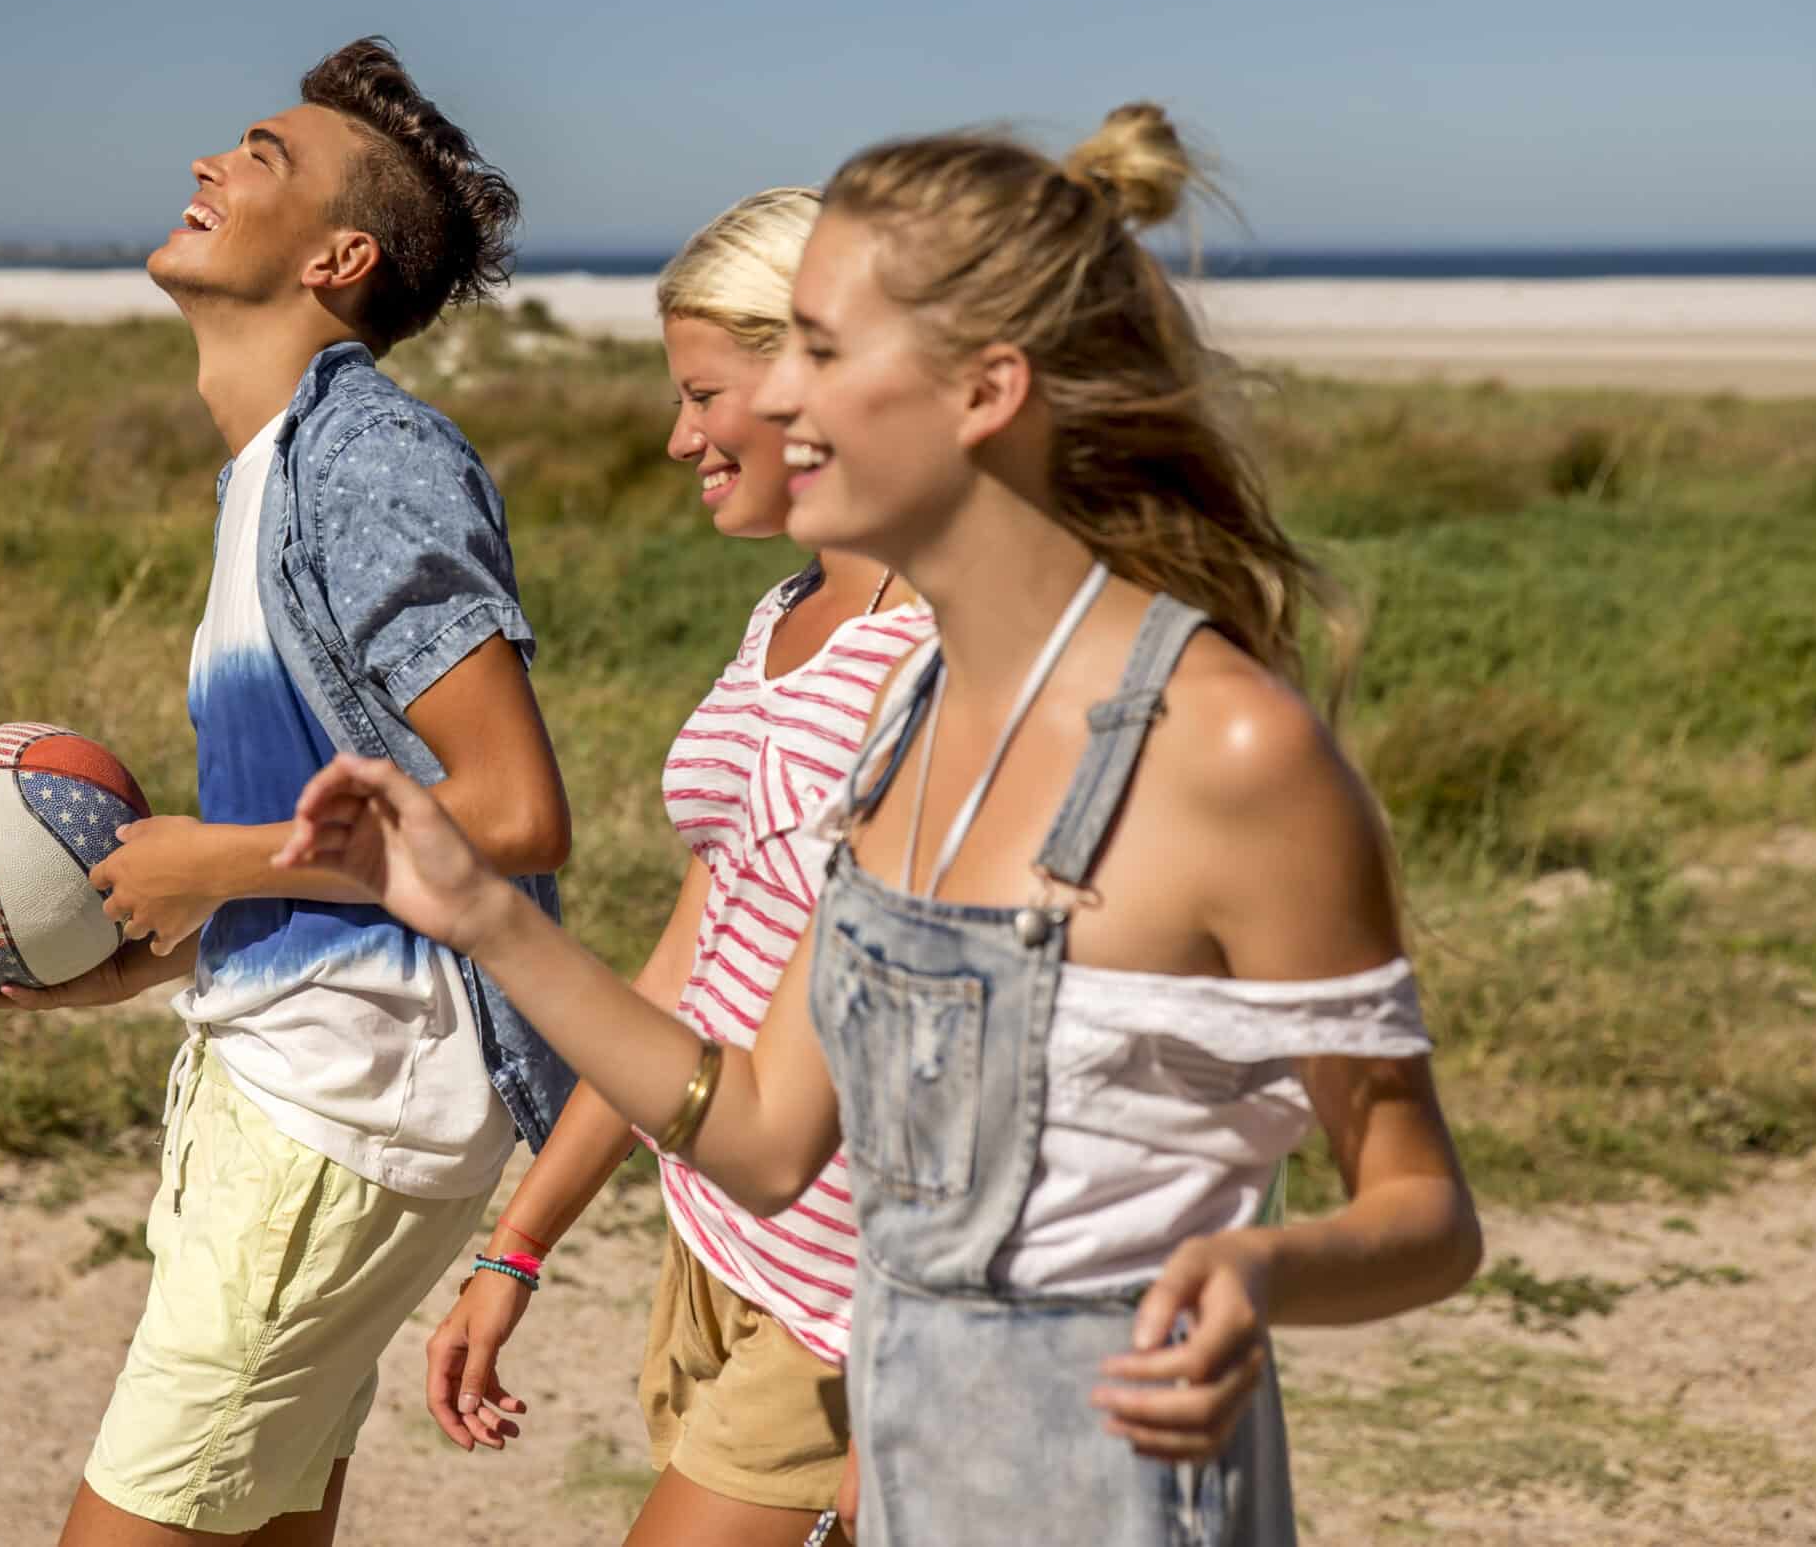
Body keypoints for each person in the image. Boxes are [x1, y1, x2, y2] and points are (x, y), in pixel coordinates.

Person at [276, 104, 1485, 1545]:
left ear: (985, 390)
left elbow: (1423, 1207)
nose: (778, 409)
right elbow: (774, 1137)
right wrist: (475, 912)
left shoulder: (1228, 747)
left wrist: (1262, 1272)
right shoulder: (908, 740)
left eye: (824, 359)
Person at [0, 37, 574, 1547]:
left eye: (262, 158)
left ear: (340, 255)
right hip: (298, 1091)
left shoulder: (367, 460)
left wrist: (208, 861)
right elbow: (349, 827)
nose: (213, 164)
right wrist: (149, 959)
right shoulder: (270, 473)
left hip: (340, 1115)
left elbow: (512, 811)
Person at [420, 187, 931, 1546]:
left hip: (848, 1305)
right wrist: (519, 1244)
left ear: (813, 377)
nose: (677, 435)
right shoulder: (785, 615)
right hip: (717, 1241)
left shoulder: (939, 659)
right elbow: (687, 971)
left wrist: (912, 1370)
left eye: (704, 393)